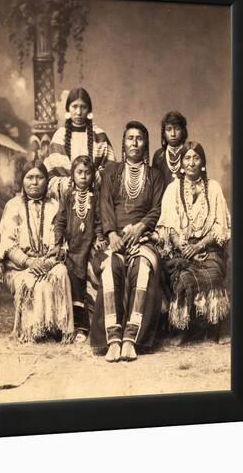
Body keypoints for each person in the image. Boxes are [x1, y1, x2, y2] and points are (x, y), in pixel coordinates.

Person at [89, 121, 164, 362]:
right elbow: (104, 205)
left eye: (139, 138)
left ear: (145, 143)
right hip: (116, 238)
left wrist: (141, 226)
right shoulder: (112, 171)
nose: (134, 142)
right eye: (130, 138)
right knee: (111, 266)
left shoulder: (155, 175)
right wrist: (111, 234)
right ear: (124, 143)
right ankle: (113, 339)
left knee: (142, 266)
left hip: (143, 237)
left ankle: (132, 338)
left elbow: (157, 207)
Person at [153, 141, 231, 339]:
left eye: (196, 158)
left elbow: (220, 226)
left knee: (213, 275)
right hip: (182, 249)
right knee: (183, 278)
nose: (191, 162)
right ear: (181, 163)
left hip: (208, 248)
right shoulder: (172, 189)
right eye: (187, 158)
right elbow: (168, 225)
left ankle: (213, 326)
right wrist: (183, 245)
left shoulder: (213, 188)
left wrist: (199, 246)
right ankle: (184, 328)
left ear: (202, 162)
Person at [0, 160, 74, 342]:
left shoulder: (55, 206)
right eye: (29, 177)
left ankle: (59, 327)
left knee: (61, 272)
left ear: (47, 181)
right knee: (34, 280)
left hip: (49, 262)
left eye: (39, 177)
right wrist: (30, 262)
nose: (34, 182)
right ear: (22, 180)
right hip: (21, 267)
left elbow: (62, 241)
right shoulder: (13, 206)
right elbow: (7, 245)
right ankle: (35, 329)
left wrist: (48, 262)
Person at [51, 156, 106, 343]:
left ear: (93, 175)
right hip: (72, 248)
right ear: (72, 174)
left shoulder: (96, 196)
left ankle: (85, 327)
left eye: (87, 173)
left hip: (88, 246)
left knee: (87, 285)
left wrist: (99, 237)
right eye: (79, 172)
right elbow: (60, 221)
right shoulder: (67, 196)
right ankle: (71, 326)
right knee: (73, 285)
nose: (83, 177)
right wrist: (58, 243)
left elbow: (99, 220)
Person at [44, 87, 115, 199]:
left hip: (96, 197)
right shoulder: (59, 136)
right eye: (74, 106)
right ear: (68, 109)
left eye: (83, 107)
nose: (78, 112)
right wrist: (69, 184)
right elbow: (49, 173)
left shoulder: (99, 135)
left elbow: (111, 170)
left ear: (89, 110)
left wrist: (96, 177)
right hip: (65, 198)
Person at [152, 111, 188, 189]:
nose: (173, 134)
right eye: (169, 129)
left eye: (177, 129)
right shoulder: (159, 156)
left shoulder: (189, 153)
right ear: (164, 133)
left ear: (183, 131)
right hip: (163, 200)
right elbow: (155, 185)